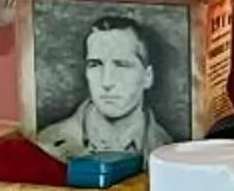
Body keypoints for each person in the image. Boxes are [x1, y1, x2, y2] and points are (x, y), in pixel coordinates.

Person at [38, 14, 169, 158]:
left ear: (147, 77)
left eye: (122, 65)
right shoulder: (46, 143)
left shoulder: (170, 148)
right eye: (95, 65)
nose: (107, 82)